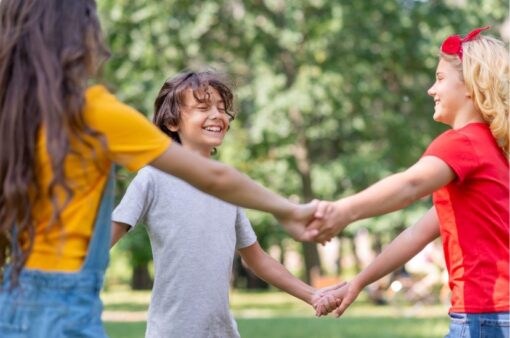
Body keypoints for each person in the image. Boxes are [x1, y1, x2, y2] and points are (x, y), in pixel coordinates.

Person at [0, 1, 319, 337]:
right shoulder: (92, 112)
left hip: (11, 295)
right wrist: (290, 210)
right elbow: (215, 178)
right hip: (65, 300)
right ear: (78, 38)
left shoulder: (12, 119)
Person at [312, 27, 509, 338]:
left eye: (441, 79)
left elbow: (409, 185)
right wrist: (359, 281)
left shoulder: (462, 144)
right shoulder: (490, 151)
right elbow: (417, 234)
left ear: (471, 85)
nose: (431, 89)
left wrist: (342, 211)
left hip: (485, 318)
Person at [111, 70, 321, 337]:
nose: (217, 115)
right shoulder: (152, 178)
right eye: (202, 107)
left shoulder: (227, 187)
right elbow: (108, 235)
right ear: (172, 122)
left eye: (222, 109)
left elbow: (257, 259)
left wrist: (313, 295)